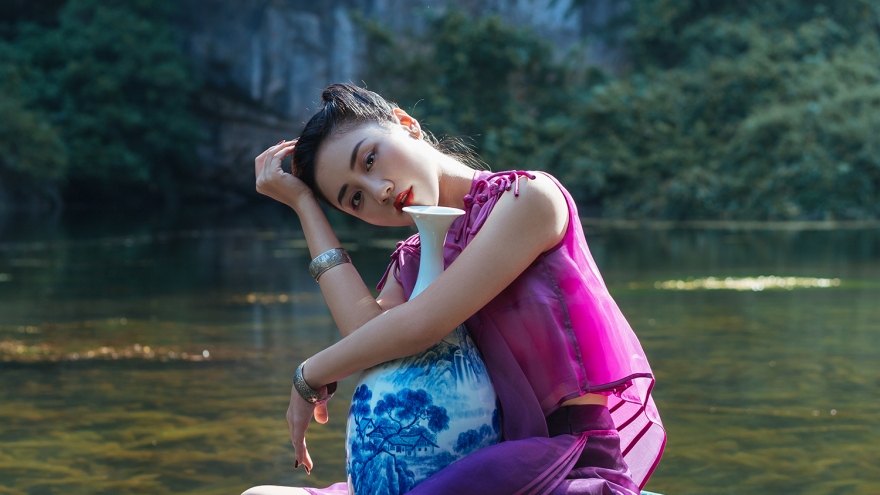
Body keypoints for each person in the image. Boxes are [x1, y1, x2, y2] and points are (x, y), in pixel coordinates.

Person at [243, 84, 665, 495]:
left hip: (564, 462)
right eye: (354, 199)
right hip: (457, 466)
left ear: (406, 124)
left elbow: (422, 325)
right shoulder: (411, 260)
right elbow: (365, 334)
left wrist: (310, 374)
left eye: (370, 160)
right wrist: (304, 206)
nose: (379, 191)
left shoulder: (529, 199)